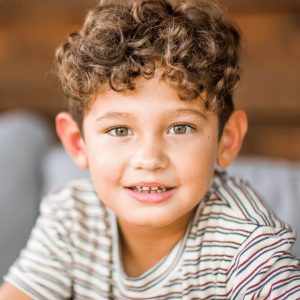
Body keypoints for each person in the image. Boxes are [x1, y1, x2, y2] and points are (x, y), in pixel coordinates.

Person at [1, 0, 299, 298]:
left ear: (228, 139)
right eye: (119, 130)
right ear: (78, 144)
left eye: (180, 128)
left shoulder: (244, 241)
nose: (149, 159)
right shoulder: (72, 218)